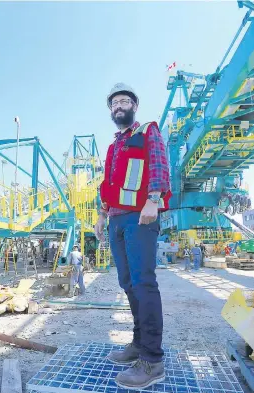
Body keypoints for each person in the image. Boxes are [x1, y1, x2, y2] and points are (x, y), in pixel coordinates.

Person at [94, 83, 172, 390]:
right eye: (114, 103)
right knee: (128, 283)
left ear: (134, 107)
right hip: (116, 220)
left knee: (143, 282)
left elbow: (158, 163)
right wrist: (101, 215)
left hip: (140, 216)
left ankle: (152, 361)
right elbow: (108, 184)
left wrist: (154, 198)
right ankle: (139, 345)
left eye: (124, 101)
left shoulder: (148, 131)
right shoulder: (114, 147)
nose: (119, 105)